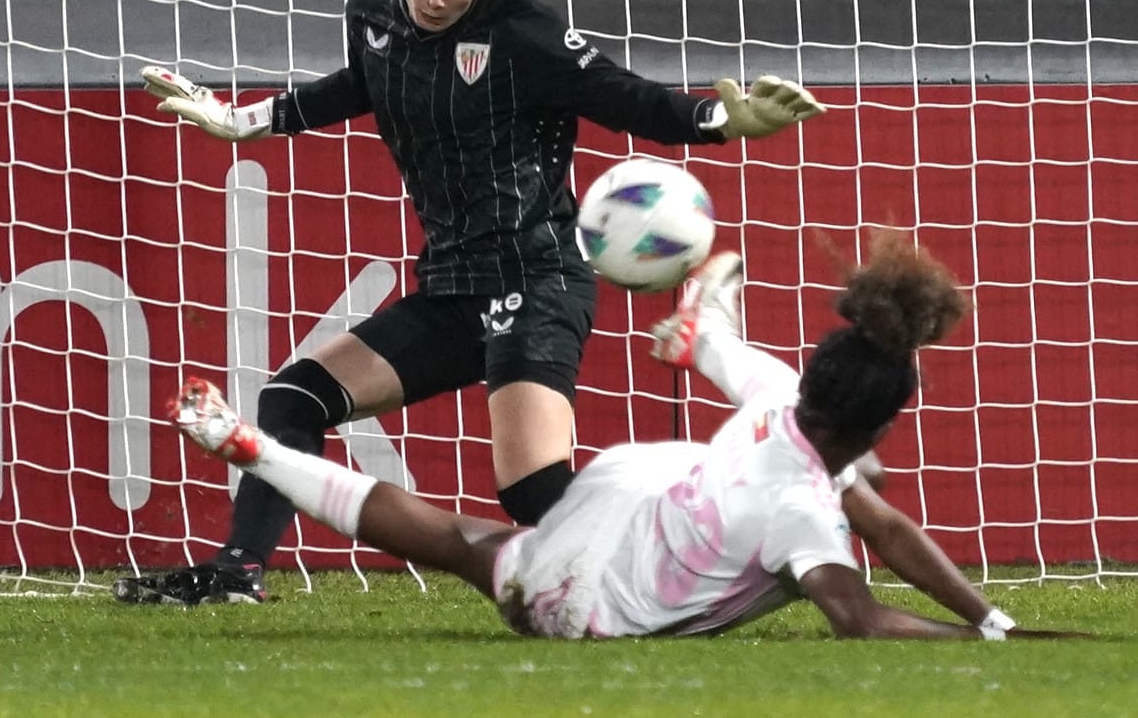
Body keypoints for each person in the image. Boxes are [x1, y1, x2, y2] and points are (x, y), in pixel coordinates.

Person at [119, 0, 825, 605]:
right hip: (454, 285)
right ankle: (236, 574)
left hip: (537, 278)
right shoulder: (371, 12)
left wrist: (726, 117)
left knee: (530, 491)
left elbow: (636, 101)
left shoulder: (525, 34)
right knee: (292, 398)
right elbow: (363, 83)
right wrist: (242, 120)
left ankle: (719, 551)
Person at [169, 239, 1074, 640]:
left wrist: (986, 613)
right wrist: (977, 641)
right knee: (461, 545)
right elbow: (860, 615)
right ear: (875, 428)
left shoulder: (778, 393)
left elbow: (886, 529)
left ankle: (266, 450)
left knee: (456, 537)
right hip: (587, 603)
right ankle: (266, 452)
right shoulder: (801, 508)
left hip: (606, 507)